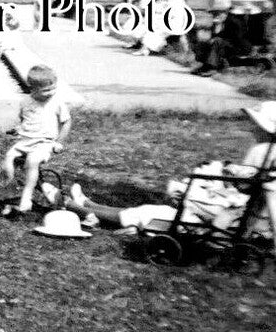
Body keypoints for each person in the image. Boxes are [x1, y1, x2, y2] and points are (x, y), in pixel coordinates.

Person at [67, 101, 276, 240]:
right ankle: (88, 205)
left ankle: (78, 207)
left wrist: (226, 177)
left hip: (229, 212)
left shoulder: (262, 150)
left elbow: (246, 184)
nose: (252, 128)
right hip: (239, 210)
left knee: (149, 212)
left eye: (255, 125)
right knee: (150, 212)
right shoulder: (267, 151)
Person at [2, 64, 71, 215]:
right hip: (25, 141)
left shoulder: (57, 102)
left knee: (32, 161)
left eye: (53, 88)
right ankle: (9, 185)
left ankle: (26, 198)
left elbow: (66, 123)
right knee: (8, 157)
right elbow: (24, 120)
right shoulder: (25, 101)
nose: (51, 93)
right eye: (46, 90)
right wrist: (18, 129)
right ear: (33, 89)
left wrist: (58, 142)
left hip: (44, 143)